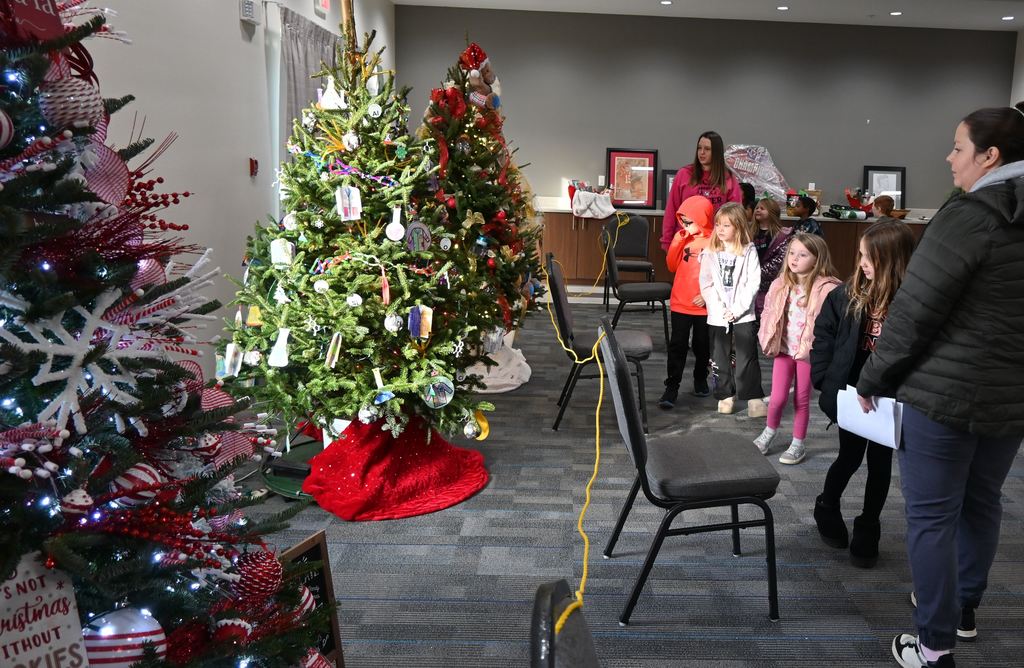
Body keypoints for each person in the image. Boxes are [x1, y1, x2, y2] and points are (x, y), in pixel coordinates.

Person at [856, 103, 1024, 668]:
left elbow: (914, 311)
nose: (949, 158)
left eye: (958, 147)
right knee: (983, 502)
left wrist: (874, 376)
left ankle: (933, 645)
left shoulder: (968, 215)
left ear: (990, 156)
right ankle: (965, 610)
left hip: (945, 398)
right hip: (1010, 397)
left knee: (932, 517)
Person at [810, 221, 915, 569]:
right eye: (861, 256)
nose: (862, 264)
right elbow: (823, 334)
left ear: (891, 260)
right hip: (851, 390)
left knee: (880, 465)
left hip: (889, 395)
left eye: (869, 258)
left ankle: (869, 526)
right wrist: (824, 378)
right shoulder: (847, 293)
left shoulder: (910, 300)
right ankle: (827, 506)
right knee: (849, 457)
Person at [755, 234, 841, 464]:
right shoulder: (781, 282)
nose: (794, 259)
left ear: (817, 259)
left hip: (808, 354)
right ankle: (768, 433)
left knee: (801, 399)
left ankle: (797, 444)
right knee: (777, 398)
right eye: (792, 253)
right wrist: (766, 337)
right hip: (783, 350)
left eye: (803, 255)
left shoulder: (827, 289)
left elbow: (833, 324)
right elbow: (768, 313)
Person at [699, 202, 766, 416]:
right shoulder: (710, 252)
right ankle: (725, 395)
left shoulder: (748, 250)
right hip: (718, 316)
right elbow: (706, 284)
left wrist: (736, 309)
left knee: (747, 356)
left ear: (738, 227)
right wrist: (719, 309)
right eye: (718, 224)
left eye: (726, 225)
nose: (720, 229)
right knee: (719, 357)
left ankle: (753, 397)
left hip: (743, 314)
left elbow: (752, 282)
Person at [659, 195, 714, 408]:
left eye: (689, 221)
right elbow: (671, 266)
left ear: (702, 218)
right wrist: (677, 240)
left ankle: (700, 377)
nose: (685, 225)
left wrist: (708, 297)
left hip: (704, 307)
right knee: (677, 346)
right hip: (681, 302)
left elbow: (720, 275)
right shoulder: (682, 238)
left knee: (702, 346)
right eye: (682, 220)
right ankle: (671, 387)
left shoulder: (716, 241)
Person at [661, 130, 742, 250]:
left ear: (716, 152)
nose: (702, 153)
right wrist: (667, 241)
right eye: (699, 148)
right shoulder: (684, 174)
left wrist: (733, 243)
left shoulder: (728, 179)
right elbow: (672, 210)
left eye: (707, 149)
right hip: (686, 243)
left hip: (716, 244)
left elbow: (736, 215)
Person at [752, 197, 796, 318]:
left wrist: (755, 274)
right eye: (757, 208)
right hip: (750, 284)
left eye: (762, 208)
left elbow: (778, 261)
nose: (758, 210)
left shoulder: (782, 236)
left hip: (770, 285)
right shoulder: (749, 233)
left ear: (772, 212)